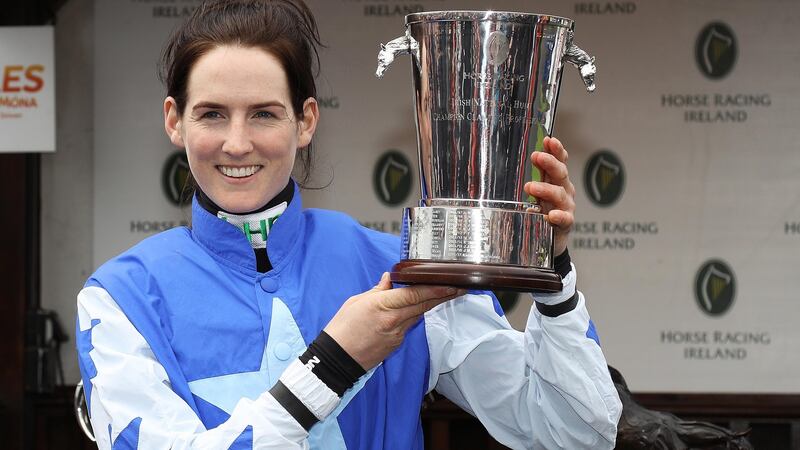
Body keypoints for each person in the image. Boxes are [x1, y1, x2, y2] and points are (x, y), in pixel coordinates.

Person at [76, 1, 621, 449]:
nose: (237, 143)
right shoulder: (120, 299)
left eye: (264, 113)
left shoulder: (400, 271)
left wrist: (555, 280)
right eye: (212, 113)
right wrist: (335, 361)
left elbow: (575, 434)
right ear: (175, 120)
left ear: (306, 120)